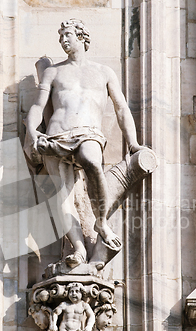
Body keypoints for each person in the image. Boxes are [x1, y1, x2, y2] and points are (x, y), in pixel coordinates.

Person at [26, 19, 142, 268]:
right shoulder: (53, 71)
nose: (63, 40)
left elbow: (121, 109)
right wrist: (33, 132)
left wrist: (133, 143)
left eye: (67, 34)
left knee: (92, 161)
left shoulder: (103, 72)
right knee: (62, 195)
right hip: (57, 134)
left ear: (82, 36)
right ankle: (78, 248)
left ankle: (101, 221)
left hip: (88, 132)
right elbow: (38, 106)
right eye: (60, 37)